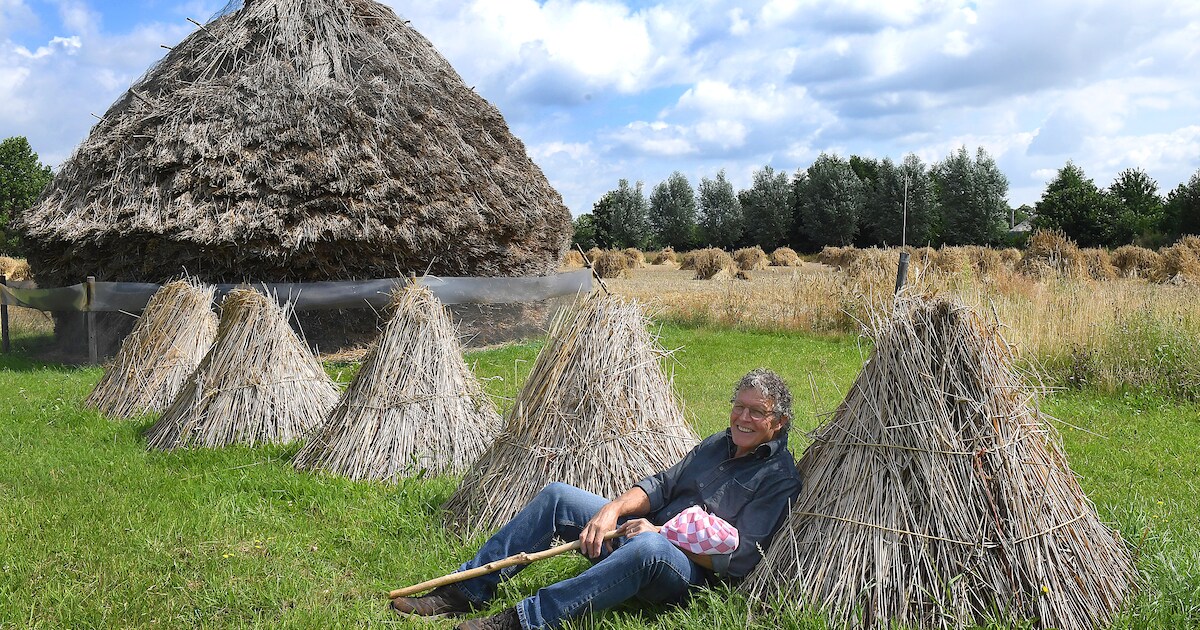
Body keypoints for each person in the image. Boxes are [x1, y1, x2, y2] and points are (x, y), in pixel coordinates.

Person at [391, 368, 802, 630]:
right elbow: (660, 485)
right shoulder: (717, 443)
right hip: (639, 531)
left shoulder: (779, 477)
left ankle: (522, 621)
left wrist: (661, 531)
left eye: (757, 412)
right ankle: (464, 592)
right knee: (559, 497)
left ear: (778, 422)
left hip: (685, 573)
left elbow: (743, 557)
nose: (743, 419)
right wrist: (611, 511)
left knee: (649, 548)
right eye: (739, 406)